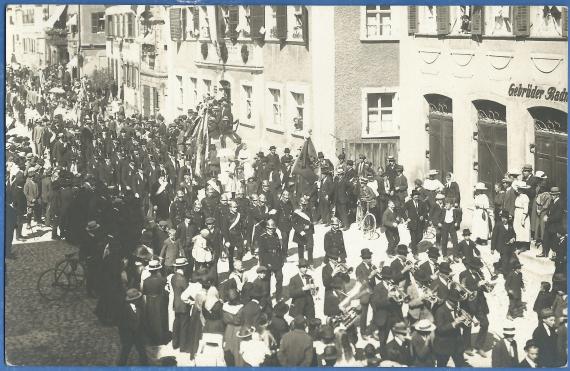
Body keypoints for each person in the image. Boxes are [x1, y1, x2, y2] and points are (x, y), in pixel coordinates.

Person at [370, 266, 404, 347]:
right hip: (383, 318)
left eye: (390, 278)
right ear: (383, 278)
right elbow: (376, 304)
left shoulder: (394, 286)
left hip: (395, 316)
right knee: (383, 342)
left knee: (402, 338)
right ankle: (384, 358)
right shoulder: (377, 288)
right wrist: (387, 297)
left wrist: (400, 300)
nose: (390, 280)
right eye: (388, 278)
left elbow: (399, 301)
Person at [433, 288, 467, 367]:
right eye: (454, 301)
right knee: (441, 366)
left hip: (456, 343)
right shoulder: (440, 311)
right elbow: (440, 329)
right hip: (444, 344)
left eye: (457, 301)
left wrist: (463, 320)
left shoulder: (456, 308)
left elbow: (460, 325)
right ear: (448, 300)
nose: (456, 304)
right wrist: (455, 322)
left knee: (460, 365)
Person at [117, 289, 149, 365]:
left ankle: (144, 364)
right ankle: (121, 365)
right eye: (139, 299)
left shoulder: (139, 308)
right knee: (126, 351)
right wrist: (123, 336)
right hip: (128, 335)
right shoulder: (125, 309)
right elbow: (121, 325)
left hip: (138, 334)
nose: (140, 300)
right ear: (134, 300)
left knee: (141, 350)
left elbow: (142, 321)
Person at [141, 259, 169, 345]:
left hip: (149, 300)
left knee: (151, 319)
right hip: (160, 300)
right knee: (160, 319)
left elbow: (144, 292)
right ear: (158, 270)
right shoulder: (163, 280)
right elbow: (165, 292)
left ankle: (152, 339)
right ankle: (161, 339)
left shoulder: (146, 281)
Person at [255, 219, 283, 300]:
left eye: (273, 229)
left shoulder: (276, 235)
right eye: (269, 229)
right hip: (267, 261)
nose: (271, 230)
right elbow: (261, 252)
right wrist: (262, 265)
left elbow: (279, 248)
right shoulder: (263, 237)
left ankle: (278, 296)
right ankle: (267, 297)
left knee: (280, 278)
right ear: (266, 228)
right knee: (267, 281)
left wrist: (281, 260)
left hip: (277, 260)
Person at [355, 248, 376, 338]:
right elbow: (362, 281)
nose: (371, 259)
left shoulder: (371, 265)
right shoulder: (359, 268)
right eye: (369, 258)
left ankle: (373, 329)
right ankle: (363, 332)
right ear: (364, 258)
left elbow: (379, 277)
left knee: (376, 311)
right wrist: (371, 275)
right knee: (364, 314)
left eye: (370, 257)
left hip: (373, 291)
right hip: (365, 293)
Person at [541, 186, 563, 258]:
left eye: (553, 195)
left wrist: (548, 219)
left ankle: (555, 254)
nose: (552, 196)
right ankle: (544, 252)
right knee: (545, 238)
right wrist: (546, 215)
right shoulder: (552, 201)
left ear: (557, 195)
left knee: (554, 240)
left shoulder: (560, 203)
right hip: (550, 224)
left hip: (556, 225)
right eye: (551, 194)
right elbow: (548, 211)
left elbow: (558, 216)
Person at [292, 195, 315, 265]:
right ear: (299, 204)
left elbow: (311, 220)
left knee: (310, 247)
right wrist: (301, 228)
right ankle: (301, 262)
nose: (304, 206)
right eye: (303, 205)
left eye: (305, 205)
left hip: (309, 232)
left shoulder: (308, 211)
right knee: (301, 248)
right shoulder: (296, 212)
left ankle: (310, 262)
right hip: (300, 232)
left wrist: (310, 227)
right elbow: (293, 223)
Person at [404, 189, 428, 256]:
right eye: (415, 196)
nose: (416, 197)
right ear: (412, 196)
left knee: (420, 237)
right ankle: (414, 253)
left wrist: (423, 216)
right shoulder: (408, 203)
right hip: (412, 223)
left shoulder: (422, 203)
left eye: (417, 196)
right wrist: (406, 218)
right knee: (413, 238)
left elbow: (425, 211)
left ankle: (412, 244)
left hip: (420, 223)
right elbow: (402, 211)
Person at [513, 181, 531, 252]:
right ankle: (519, 244)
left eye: (519, 189)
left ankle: (524, 245)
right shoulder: (518, 196)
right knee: (517, 229)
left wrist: (523, 218)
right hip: (517, 213)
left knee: (523, 229)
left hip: (522, 214)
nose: (517, 190)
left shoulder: (525, 197)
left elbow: (526, 209)